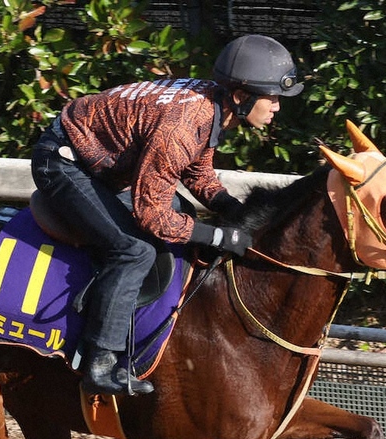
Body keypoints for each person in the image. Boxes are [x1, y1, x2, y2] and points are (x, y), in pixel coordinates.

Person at [30, 34, 304, 396]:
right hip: (63, 162)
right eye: (271, 97)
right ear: (241, 95)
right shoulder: (184, 123)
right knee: (133, 250)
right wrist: (219, 236)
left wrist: (235, 212)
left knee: (182, 210)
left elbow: (197, 171)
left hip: (97, 159)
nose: (277, 107)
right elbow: (152, 215)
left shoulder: (211, 104)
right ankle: (100, 361)